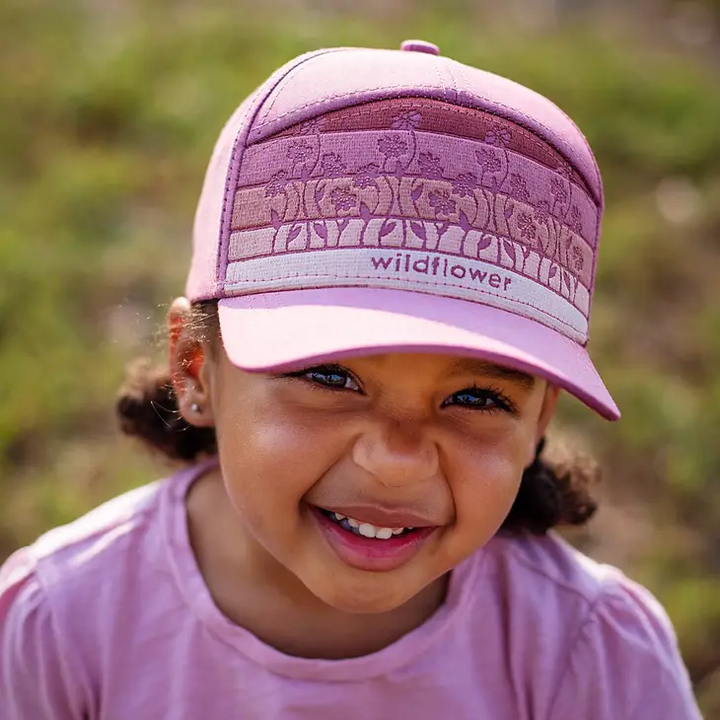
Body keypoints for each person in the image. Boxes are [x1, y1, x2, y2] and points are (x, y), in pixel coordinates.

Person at [0, 40, 703, 719]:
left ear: (538, 423)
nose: (396, 461)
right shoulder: (60, 628)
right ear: (197, 369)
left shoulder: (591, 658)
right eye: (331, 377)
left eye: (476, 398)